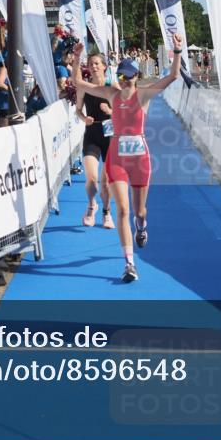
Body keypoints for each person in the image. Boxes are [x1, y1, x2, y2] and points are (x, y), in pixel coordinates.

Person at [71, 33, 183, 283]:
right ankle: (129, 264)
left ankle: (141, 226)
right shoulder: (110, 93)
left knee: (139, 211)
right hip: (117, 159)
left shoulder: (143, 95)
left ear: (136, 77)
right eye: (121, 77)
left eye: (128, 77)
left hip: (140, 160)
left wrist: (177, 50)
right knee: (123, 209)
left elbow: (173, 76)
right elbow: (78, 82)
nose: (124, 81)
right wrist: (77, 58)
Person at [76, 52, 116, 229]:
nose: (93, 66)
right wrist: (84, 119)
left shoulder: (112, 86)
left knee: (106, 183)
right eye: (91, 64)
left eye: (97, 63)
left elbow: (124, 111)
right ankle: (92, 205)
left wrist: (110, 111)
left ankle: (107, 212)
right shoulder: (84, 87)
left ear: (104, 66)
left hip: (110, 136)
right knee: (92, 179)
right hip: (92, 134)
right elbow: (78, 110)